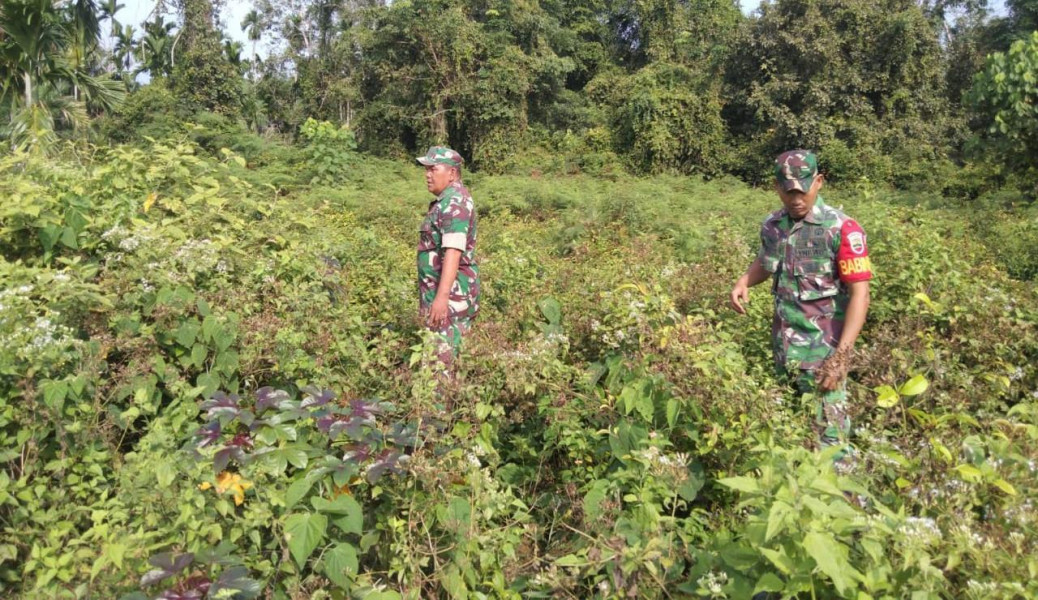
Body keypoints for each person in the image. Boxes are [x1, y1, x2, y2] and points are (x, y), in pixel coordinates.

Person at [729, 149, 872, 461]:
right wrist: (744, 281)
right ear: (776, 187)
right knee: (791, 439)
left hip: (824, 358)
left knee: (832, 448)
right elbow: (766, 264)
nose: (796, 198)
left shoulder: (841, 229)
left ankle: (844, 506)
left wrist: (842, 357)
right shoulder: (773, 225)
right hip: (784, 357)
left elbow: (860, 294)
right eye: (788, 191)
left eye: (802, 189)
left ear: (818, 182)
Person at [415, 146, 481, 371]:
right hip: (441, 296)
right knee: (439, 362)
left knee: (438, 369)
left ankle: (437, 407)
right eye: (426, 170)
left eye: (434, 169)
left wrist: (441, 299)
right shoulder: (446, 201)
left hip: (450, 299)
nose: (428, 174)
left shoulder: (455, 204)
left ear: (452, 173)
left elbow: (453, 251)